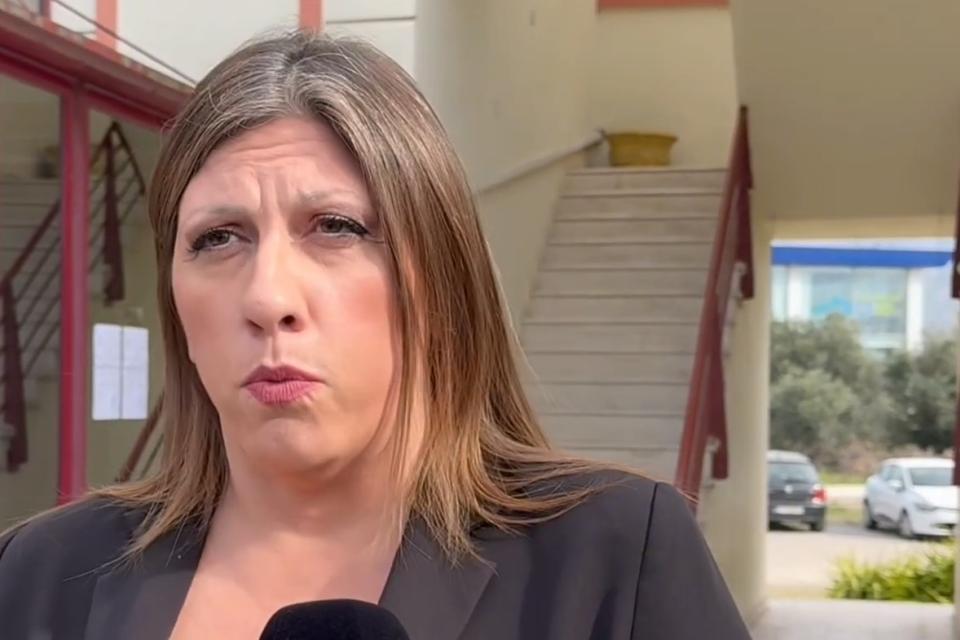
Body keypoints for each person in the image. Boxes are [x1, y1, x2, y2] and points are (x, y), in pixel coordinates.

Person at [0, 32, 750, 639]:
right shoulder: (39, 573)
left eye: (335, 227)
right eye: (219, 238)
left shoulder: (616, 559)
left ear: (440, 276)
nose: (268, 298)